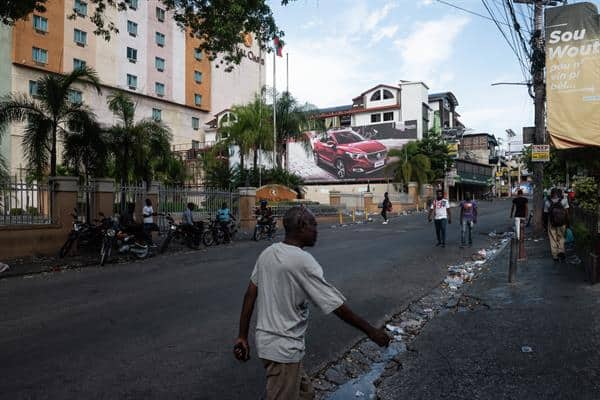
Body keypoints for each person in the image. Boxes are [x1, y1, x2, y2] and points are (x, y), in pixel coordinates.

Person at [234, 207, 390, 399]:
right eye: (314, 225)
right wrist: (371, 331)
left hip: (269, 344)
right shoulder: (303, 261)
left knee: (306, 393)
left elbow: (250, 294)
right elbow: (336, 306)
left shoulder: (268, 252)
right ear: (302, 226)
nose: (317, 230)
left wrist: (242, 336)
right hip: (283, 349)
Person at [545, 188, 570, 262]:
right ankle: (561, 251)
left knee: (553, 238)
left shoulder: (547, 202)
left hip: (551, 223)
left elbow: (545, 214)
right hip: (562, 222)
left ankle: (555, 255)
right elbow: (567, 213)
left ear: (551, 194)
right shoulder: (564, 201)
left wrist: (545, 224)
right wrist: (568, 222)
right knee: (561, 237)